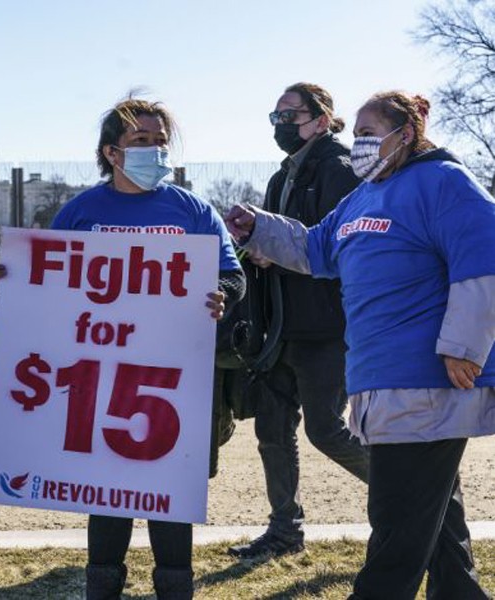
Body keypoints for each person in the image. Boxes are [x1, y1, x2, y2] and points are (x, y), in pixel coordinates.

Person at [225, 91, 495, 599]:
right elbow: (315, 248)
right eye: (357, 136)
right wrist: (259, 227)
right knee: (436, 524)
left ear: (406, 134)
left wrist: (465, 344)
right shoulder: (362, 197)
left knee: (396, 526)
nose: (360, 146)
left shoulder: (443, 181)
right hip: (380, 380)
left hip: (426, 382)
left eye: (370, 134)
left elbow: (485, 258)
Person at [0, 97, 244, 599]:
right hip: (99, 375)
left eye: (159, 141)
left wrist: (223, 296)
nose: (154, 149)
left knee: (168, 494)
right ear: (112, 152)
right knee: (107, 490)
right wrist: (12, 277)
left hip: (171, 376)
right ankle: (102, 587)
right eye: (140, 141)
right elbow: (46, 280)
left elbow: (231, 273)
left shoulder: (192, 210)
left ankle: (176, 589)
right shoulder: (81, 212)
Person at [227, 83, 369, 560]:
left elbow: (337, 244)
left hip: (326, 328)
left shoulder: (340, 170)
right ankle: (285, 531)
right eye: (276, 116)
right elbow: (278, 241)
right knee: (271, 429)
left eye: (291, 115)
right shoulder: (281, 177)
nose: (281, 124)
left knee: (326, 430)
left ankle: (415, 497)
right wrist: (252, 245)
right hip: (281, 327)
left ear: (323, 119)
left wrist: (276, 254)